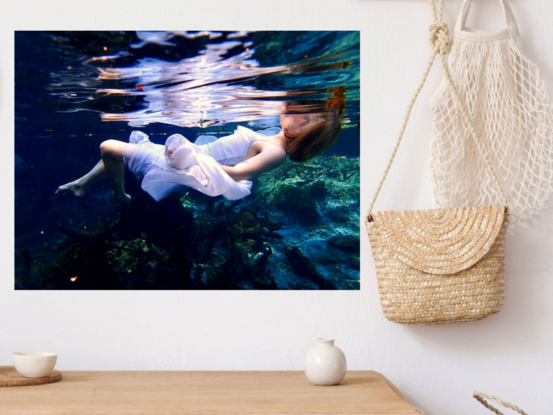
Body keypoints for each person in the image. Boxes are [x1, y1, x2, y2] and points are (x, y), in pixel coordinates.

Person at [56, 110, 342, 203]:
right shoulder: (269, 134)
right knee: (120, 153)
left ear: (303, 132)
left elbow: (238, 173)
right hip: (189, 155)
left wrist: (194, 159)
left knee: (108, 146)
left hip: (183, 164)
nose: (294, 111)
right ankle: (82, 182)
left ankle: (120, 194)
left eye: (304, 116)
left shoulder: (275, 152)